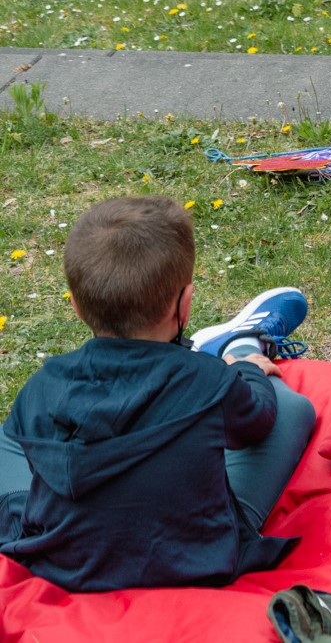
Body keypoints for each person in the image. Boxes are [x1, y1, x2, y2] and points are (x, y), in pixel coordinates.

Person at [0, 195, 315, 592]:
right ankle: (241, 346)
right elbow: (257, 422)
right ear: (184, 304)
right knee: (291, 406)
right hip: (200, 558)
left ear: (77, 306)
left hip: (63, 561)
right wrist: (247, 370)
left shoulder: (43, 388)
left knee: (9, 436)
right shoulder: (209, 382)